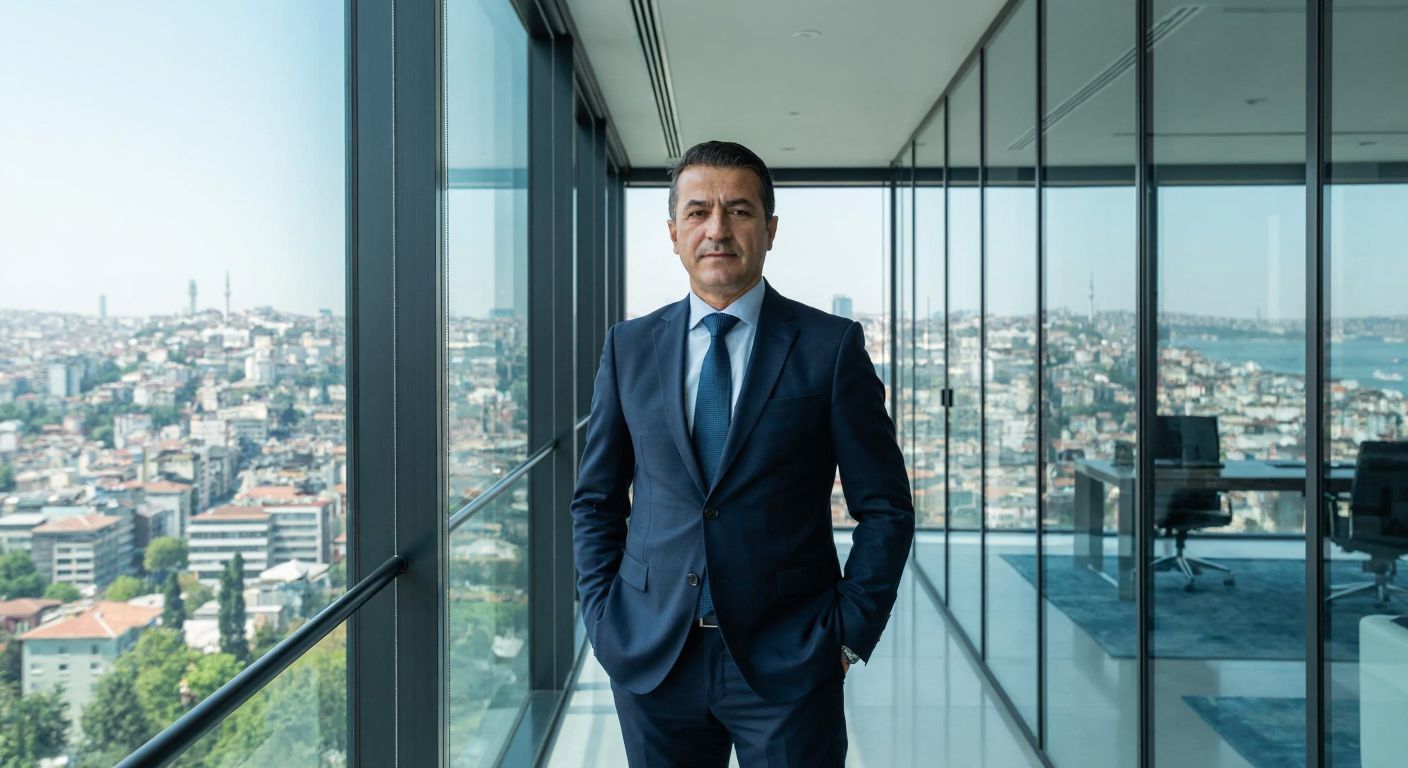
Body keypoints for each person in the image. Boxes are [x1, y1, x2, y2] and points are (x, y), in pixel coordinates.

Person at [571, 140, 914, 767]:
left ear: (771, 229)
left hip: (791, 658)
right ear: (673, 233)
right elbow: (596, 499)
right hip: (653, 656)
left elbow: (886, 507)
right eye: (698, 212)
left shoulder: (830, 347)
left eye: (740, 211)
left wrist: (848, 637)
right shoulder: (629, 347)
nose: (717, 230)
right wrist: (602, 616)